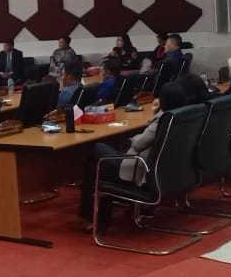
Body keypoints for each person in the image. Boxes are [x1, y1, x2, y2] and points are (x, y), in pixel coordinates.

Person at [80, 82, 190, 230]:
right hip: (163, 170)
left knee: (95, 151)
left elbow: (138, 144)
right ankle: (97, 214)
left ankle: (94, 216)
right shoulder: (182, 116)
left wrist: (133, 137)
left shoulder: (163, 120)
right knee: (102, 158)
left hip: (138, 168)